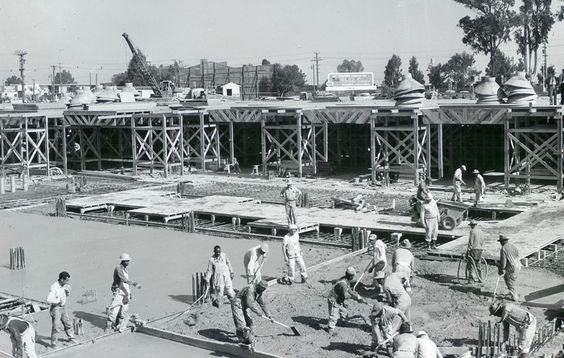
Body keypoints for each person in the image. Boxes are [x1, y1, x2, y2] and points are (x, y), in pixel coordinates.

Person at [230, 280, 273, 345]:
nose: (263, 290)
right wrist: (258, 312)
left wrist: (269, 315)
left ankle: (249, 336)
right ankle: (242, 339)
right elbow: (249, 303)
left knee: (250, 323)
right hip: (237, 304)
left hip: (245, 306)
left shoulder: (259, 292)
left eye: (264, 289)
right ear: (258, 286)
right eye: (262, 288)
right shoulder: (250, 289)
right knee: (241, 324)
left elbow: (263, 304)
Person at [325, 266, 365, 335]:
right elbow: (343, 296)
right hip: (334, 300)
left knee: (344, 311)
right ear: (351, 276)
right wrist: (353, 298)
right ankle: (330, 329)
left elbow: (349, 290)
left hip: (339, 299)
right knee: (334, 315)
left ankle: (343, 321)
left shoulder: (346, 280)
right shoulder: (342, 284)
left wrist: (357, 297)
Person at [107, 253, 141, 333]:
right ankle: (108, 328)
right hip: (119, 292)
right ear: (123, 261)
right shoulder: (118, 269)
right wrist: (135, 284)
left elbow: (126, 285)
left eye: (128, 261)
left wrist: (129, 293)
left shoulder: (125, 269)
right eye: (127, 261)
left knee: (124, 310)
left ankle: (118, 325)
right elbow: (124, 280)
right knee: (114, 311)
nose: (128, 263)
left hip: (125, 293)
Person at [46, 271, 77, 347]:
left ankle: (71, 338)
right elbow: (48, 299)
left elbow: (65, 295)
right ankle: (54, 343)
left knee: (68, 323)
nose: (67, 282)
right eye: (66, 280)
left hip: (63, 307)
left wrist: (67, 293)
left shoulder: (65, 286)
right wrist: (58, 301)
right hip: (55, 308)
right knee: (56, 326)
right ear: (62, 279)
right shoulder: (54, 287)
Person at [498, 235, 522, 301]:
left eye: (501, 242)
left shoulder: (503, 248)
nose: (500, 243)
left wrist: (500, 269)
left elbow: (503, 263)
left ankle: (514, 297)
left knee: (510, 282)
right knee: (507, 278)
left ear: (503, 241)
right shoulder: (513, 246)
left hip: (512, 267)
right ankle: (511, 292)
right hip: (518, 265)